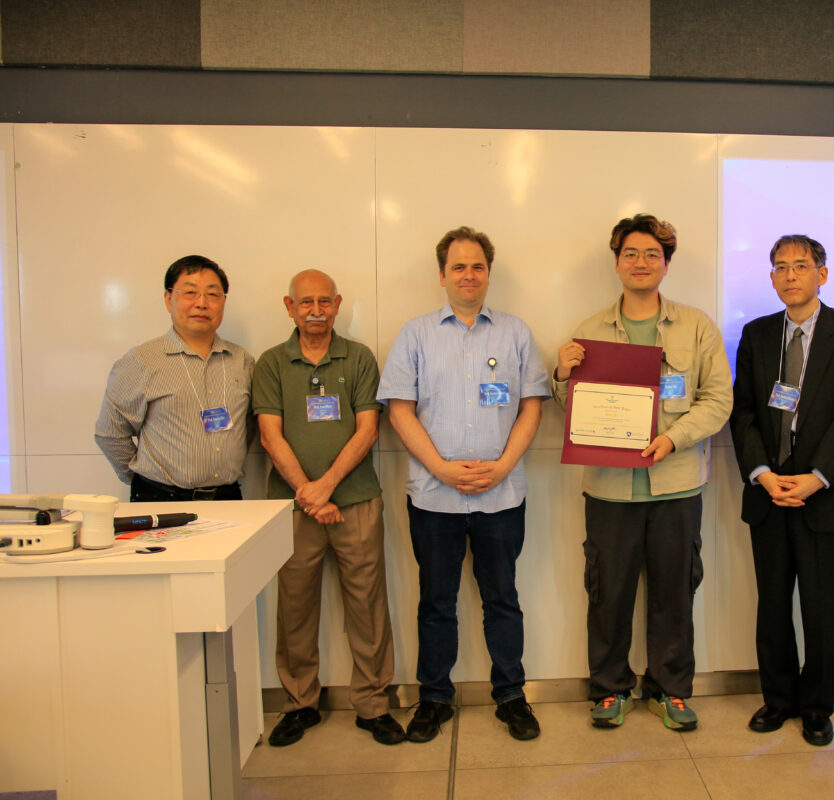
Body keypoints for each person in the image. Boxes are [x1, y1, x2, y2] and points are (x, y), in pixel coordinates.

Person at [553, 213, 732, 731]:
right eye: (630, 253)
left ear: (666, 264)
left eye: (652, 254)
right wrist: (563, 373)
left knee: (675, 592)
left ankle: (670, 690)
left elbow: (719, 398)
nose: (640, 262)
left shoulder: (696, 326)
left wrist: (674, 437)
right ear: (616, 263)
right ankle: (609, 690)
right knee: (607, 593)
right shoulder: (588, 331)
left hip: (677, 486)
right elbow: (574, 411)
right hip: (609, 491)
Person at [378, 226, 549, 742]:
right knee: (436, 601)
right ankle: (434, 699)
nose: (468, 275)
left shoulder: (516, 333)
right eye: (458, 266)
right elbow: (400, 411)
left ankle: (511, 697)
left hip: (502, 493)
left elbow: (532, 405)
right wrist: (441, 468)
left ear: (488, 274)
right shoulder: (415, 334)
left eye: (477, 266)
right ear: (442, 275)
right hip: (434, 497)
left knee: (502, 598)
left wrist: (502, 465)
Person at [729, 235, 834, 746]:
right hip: (768, 493)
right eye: (780, 267)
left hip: (824, 495)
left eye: (801, 266)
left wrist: (817, 477)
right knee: (772, 605)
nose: (790, 275)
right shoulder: (756, 334)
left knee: (820, 607)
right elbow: (743, 411)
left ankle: (816, 707)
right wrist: (763, 473)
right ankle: (778, 700)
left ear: (822, 274)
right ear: (771, 278)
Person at [252, 269, 402, 747]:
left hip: (355, 501)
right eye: (305, 302)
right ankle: (299, 704)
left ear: (337, 304)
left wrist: (328, 486)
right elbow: (269, 435)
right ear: (288, 306)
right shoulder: (272, 363)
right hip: (293, 509)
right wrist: (308, 493)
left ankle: (374, 705)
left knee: (368, 604)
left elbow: (368, 429)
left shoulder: (358, 358)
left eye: (324, 301)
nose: (315, 310)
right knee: (294, 607)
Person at [96, 255, 254, 501]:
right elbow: (110, 433)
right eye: (190, 293)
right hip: (162, 498)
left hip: (227, 496)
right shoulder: (141, 361)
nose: (202, 303)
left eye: (213, 295)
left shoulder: (241, 360)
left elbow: (248, 427)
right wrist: (143, 478)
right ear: (169, 299)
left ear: (223, 301)